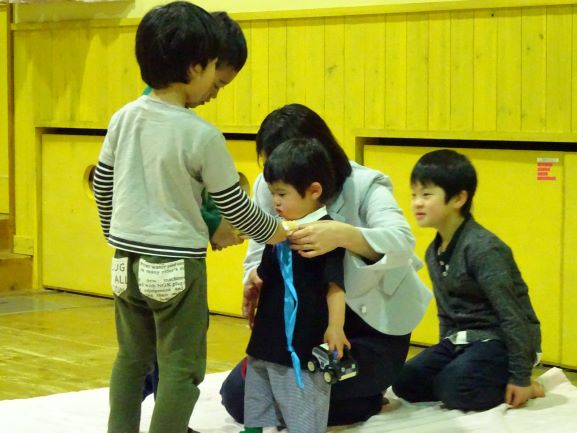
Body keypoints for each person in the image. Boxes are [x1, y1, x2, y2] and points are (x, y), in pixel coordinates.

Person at [93, 3, 285, 433]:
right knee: (181, 368)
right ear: (196, 66)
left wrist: (113, 232)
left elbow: (103, 185)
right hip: (176, 267)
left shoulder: (123, 117)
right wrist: (278, 233)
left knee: (130, 359)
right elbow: (236, 207)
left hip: (124, 263)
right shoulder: (201, 134)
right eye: (214, 67)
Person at [220, 103, 433, 426]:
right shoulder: (272, 184)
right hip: (303, 328)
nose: (276, 177)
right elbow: (257, 247)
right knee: (238, 396)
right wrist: (254, 278)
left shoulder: (364, 184)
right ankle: (353, 400)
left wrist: (344, 235)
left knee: (305, 389)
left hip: (369, 328)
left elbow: (402, 242)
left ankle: (365, 397)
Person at [141, 10, 249, 404]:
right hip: (171, 257)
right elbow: (169, 192)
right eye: (217, 83)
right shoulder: (175, 123)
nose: (215, 93)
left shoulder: (144, 112)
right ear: (199, 64)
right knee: (177, 353)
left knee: (148, 352)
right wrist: (218, 225)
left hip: (141, 254)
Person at [392, 149, 544, 410]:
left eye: (426, 195)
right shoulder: (433, 252)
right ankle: (462, 379)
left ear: (459, 198)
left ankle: (527, 386)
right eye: (414, 195)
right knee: (405, 381)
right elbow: (446, 314)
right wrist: (444, 357)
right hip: (464, 341)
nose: (417, 203)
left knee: (453, 388)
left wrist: (520, 376)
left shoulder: (483, 248)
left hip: (500, 341)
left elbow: (513, 315)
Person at [242, 137, 349, 433]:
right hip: (268, 327)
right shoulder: (278, 228)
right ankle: (255, 428)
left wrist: (336, 326)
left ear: (314, 191)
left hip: (302, 334)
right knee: (258, 383)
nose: (275, 201)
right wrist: (253, 286)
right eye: (272, 193)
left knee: (300, 393)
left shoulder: (327, 232)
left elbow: (335, 286)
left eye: (282, 194)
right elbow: (264, 273)